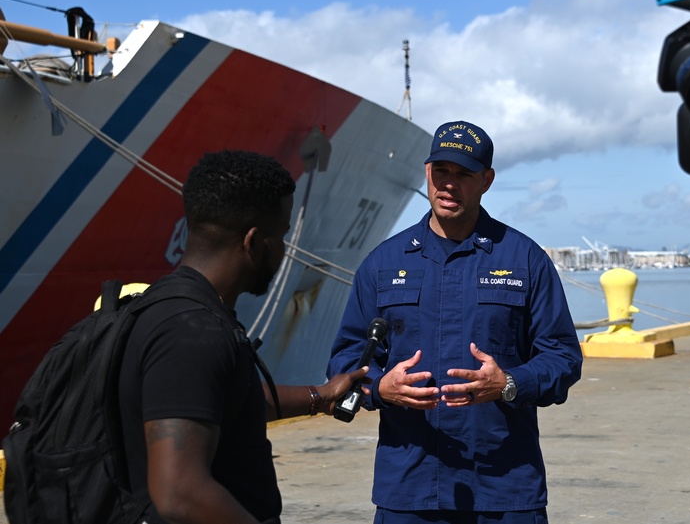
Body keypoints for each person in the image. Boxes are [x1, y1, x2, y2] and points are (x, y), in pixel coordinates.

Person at [327, 120, 583, 523]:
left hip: (504, 489)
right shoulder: (382, 265)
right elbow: (346, 360)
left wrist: (510, 383)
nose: (449, 184)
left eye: (463, 174)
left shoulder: (525, 259)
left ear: (487, 180)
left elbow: (564, 358)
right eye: (441, 171)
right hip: (410, 490)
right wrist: (381, 387)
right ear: (427, 173)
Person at [117, 150, 367, 524]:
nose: (284, 249)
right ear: (253, 242)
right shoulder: (192, 333)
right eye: (281, 235)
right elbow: (179, 492)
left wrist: (321, 395)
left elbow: (224, 398)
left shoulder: (176, 307)